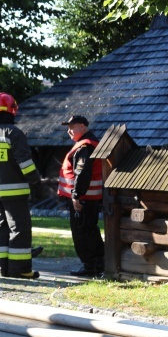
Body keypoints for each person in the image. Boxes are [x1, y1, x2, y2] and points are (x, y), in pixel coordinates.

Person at [0, 92, 41, 279]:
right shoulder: (14, 133)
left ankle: (4, 268)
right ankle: (21, 270)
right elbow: (25, 163)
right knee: (19, 229)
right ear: (12, 110)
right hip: (15, 191)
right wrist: (35, 179)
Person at [58, 115, 105, 277]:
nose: (69, 131)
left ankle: (89, 265)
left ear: (83, 127)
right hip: (90, 197)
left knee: (81, 232)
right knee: (90, 229)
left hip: (82, 198)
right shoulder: (90, 143)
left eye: (72, 127)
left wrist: (76, 195)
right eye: (68, 127)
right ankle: (99, 264)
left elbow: (82, 172)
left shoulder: (84, 146)